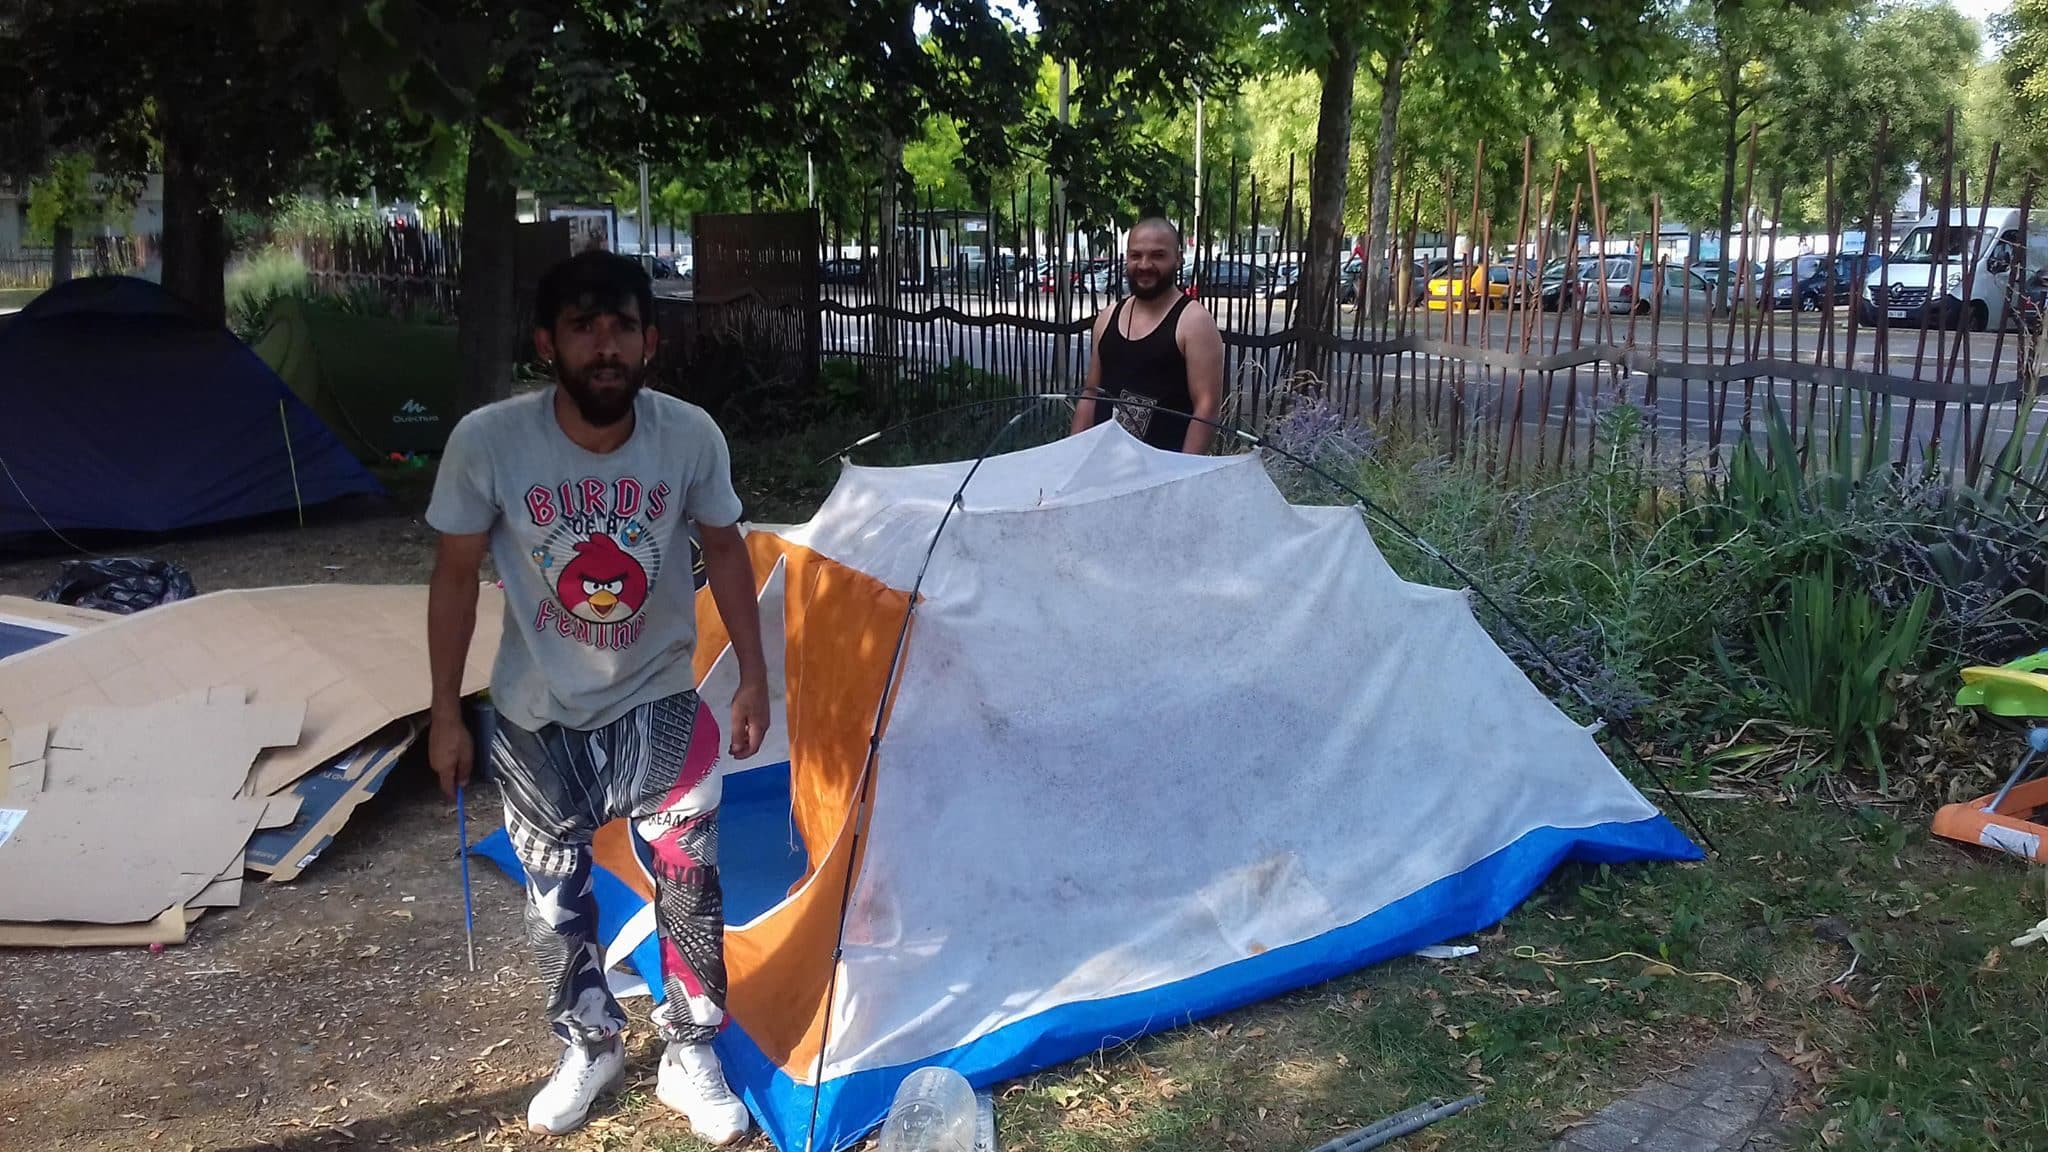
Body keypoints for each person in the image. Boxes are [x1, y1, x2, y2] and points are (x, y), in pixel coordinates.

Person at [424, 251, 769, 1144]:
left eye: (622, 327)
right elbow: (455, 578)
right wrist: (443, 713)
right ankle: (591, 1041)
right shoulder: (489, 442)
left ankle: (691, 1053)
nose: (605, 346)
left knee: (691, 886)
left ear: (652, 341)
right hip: (537, 723)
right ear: (548, 342)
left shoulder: (688, 435)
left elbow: (727, 549)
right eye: (584, 327)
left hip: (661, 707)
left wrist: (755, 675)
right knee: (555, 902)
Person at [1071, 217, 1225, 453]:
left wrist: (1182, 477)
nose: (1144, 265)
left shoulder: (1194, 323)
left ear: (1178, 258)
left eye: (1157, 255)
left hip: (1162, 473)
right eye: (1136, 255)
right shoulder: (1108, 317)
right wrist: (1073, 458)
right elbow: (1091, 395)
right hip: (1102, 466)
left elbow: (1206, 407)